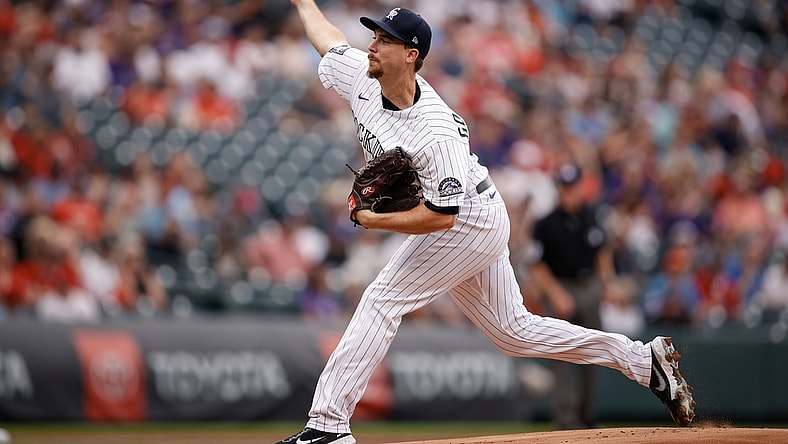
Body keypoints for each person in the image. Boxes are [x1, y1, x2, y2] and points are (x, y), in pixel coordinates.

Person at [277, 4, 695, 444]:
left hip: (467, 219)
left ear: (411, 55)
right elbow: (328, 40)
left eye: (384, 39)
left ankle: (328, 425)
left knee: (383, 299)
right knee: (513, 332)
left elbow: (441, 216)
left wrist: (376, 221)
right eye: (375, 36)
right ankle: (643, 361)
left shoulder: (433, 132)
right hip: (470, 213)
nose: (373, 45)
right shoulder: (362, 76)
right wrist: (304, 3)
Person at [528, 163, 615, 429]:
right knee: (561, 355)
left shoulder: (591, 216)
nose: (568, 192)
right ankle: (566, 419)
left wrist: (605, 285)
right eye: (564, 188)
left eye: (572, 187)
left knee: (594, 353)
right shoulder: (545, 223)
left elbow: (602, 253)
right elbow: (536, 264)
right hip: (560, 287)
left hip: (588, 286)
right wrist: (555, 293)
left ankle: (587, 416)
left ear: (579, 187)